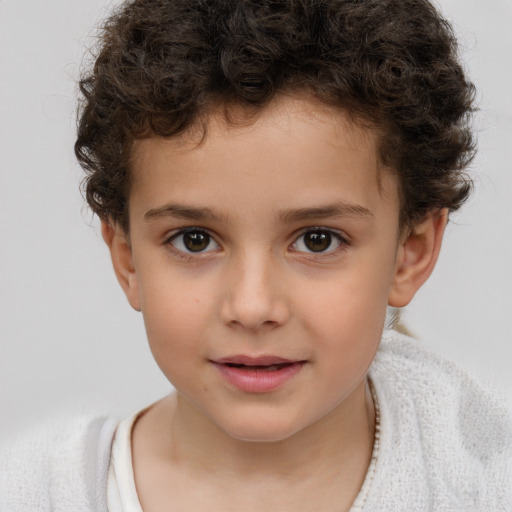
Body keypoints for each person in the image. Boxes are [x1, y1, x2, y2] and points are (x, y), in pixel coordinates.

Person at [1, 0, 510, 510]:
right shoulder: (38, 492)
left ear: (409, 253)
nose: (252, 306)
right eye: (194, 240)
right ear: (128, 259)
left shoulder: (486, 479)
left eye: (317, 240)